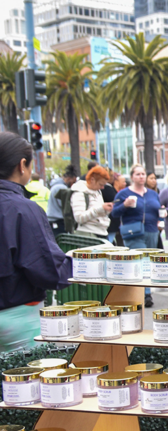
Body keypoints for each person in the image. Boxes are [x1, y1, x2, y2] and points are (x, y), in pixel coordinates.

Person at [0, 132, 73, 351]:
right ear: (22, 165)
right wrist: (71, 265)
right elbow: (44, 267)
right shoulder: (23, 209)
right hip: (16, 316)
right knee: (23, 381)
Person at [113, 165, 163, 306]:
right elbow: (114, 213)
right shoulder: (123, 194)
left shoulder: (153, 194)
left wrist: (164, 216)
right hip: (133, 233)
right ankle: (145, 294)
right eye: (137, 174)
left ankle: (144, 290)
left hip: (152, 231)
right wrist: (125, 205)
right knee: (141, 262)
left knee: (148, 262)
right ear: (132, 177)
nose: (141, 176)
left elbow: (158, 210)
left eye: (143, 174)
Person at [70, 166, 112, 240]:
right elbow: (79, 218)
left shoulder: (97, 192)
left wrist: (106, 210)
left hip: (101, 232)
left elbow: (97, 212)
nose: (102, 187)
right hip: (88, 234)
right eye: (100, 184)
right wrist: (100, 208)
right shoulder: (79, 193)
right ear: (92, 180)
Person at [47, 167, 76, 236]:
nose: (73, 184)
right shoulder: (62, 188)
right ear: (69, 178)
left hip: (53, 220)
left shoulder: (55, 186)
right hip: (58, 220)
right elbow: (65, 205)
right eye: (73, 182)